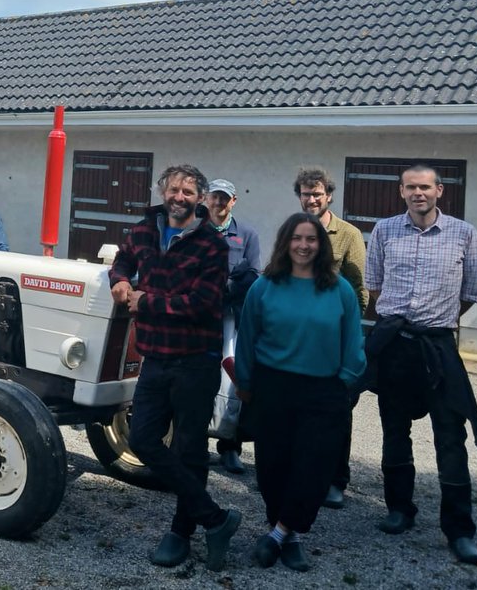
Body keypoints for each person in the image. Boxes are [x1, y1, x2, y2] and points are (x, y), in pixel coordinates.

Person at [109, 163, 240, 571]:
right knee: (143, 440)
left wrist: (146, 302)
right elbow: (123, 259)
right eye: (173, 189)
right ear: (162, 191)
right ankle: (215, 518)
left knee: (189, 449)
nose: (179, 197)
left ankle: (180, 534)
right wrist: (120, 280)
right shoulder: (145, 229)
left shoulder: (213, 245)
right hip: (155, 355)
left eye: (188, 191)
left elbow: (202, 304)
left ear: (201, 199)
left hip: (195, 360)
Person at [366, 165, 477, 566]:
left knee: (451, 437)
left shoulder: (465, 234)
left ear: (439, 192)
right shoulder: (383, 231)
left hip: (438, 348)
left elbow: (470, 292)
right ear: (401, 191)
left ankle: (459, 529)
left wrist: (436, 320)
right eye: (411, 187)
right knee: (394, 430)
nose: (419, 193)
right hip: (396, 346)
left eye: (426, 187)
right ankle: (399, 508)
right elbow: (375, 284)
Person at [235, 212, 366, 572]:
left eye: (311, 239)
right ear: (285, 243)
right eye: (297, 238)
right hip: (273, 386)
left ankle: (277, 534)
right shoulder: (264, 286)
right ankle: (287, 535)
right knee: (273, 466)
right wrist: (244, 383)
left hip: (324, 390)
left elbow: (354, 341)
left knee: (313, 466)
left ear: (321, 244)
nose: (304, 245)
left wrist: (344, 379)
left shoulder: (338, 289)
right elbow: (247, 338)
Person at [294, 166, 368, 508]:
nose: (311, 199)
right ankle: (301, 473)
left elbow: (358, 290)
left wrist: (345, 334)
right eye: (306, 193)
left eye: (317, 193)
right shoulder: (294, 231)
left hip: (334, 339)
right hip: (297, 339)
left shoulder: (349, 234)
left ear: (329, 196)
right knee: (299, 410)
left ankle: (336, 479)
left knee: (336, 410)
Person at [204, 179, 260, 474]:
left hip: (232, 319)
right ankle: (196, 444)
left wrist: (228, 286)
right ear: (206, 199)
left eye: (225, 198)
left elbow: (252, 273)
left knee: (234, 379)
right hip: (200, 319)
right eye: (215, 197)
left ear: (234, 201)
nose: (219, 203)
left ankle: (230, 447)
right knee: (200, 379)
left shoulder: (247, 234)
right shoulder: (195, 231)